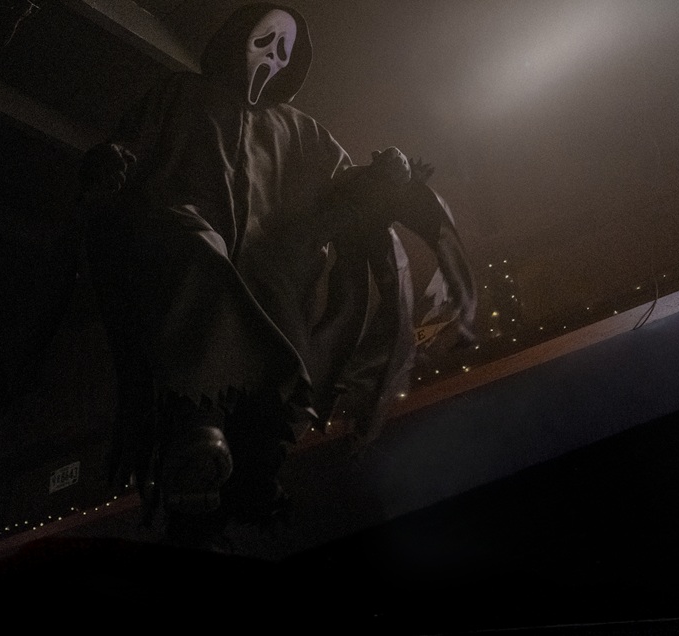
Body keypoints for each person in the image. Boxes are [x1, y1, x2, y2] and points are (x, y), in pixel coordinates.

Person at [76, 3, 476, 544]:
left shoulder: (302, 131)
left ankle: (259, 458)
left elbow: (342, 186)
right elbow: (132, 143)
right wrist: (111, 161)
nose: (272, 56)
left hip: (271, 263)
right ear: (238, 37)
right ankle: (197, 416)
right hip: (188, 232)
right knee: (201, 254)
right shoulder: (180, 94)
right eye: (265, 40)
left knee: (281, 314)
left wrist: (385, 175)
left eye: (285, 50)